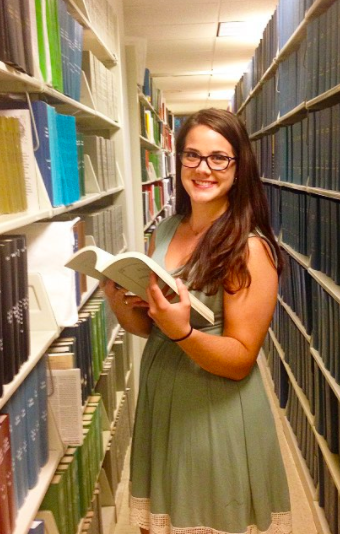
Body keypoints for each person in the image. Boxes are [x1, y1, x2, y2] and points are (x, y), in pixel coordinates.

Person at [103, 108, 292, 533]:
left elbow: (241, 358)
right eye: (192, 156)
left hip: (212, 410)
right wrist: (119, 301)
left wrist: (181, 330)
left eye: (218, 158)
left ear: (238, 167)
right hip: (161, 400)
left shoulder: (250, 248)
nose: (203, 169)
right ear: (179, 161)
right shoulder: (167, 230)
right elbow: (148, 328)